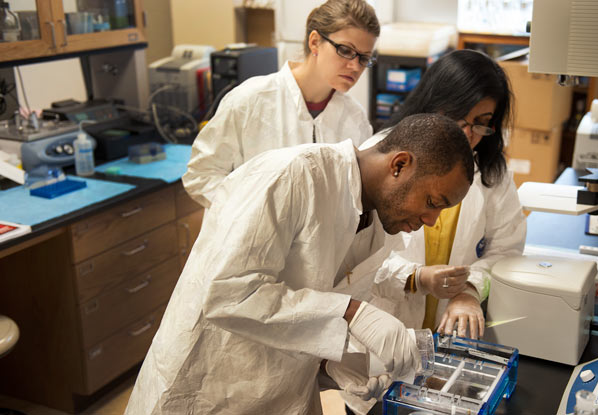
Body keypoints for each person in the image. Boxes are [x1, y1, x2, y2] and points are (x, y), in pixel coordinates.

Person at [124, 113, 476, 415]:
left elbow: (304, 305)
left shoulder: (378, 223)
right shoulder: (292, 176)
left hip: (284, 393)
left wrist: (341, 361)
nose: (431, 220)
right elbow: (228, 293)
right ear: (399, 165)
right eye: (432, 202)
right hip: (210, 388)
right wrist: (352, 312)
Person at [339, 48, 527, 415]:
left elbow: (506, 250)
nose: (468, 134)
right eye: (459, 118)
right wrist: (415, 278)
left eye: (482, 122)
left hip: (452, 350)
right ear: (433, 103)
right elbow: (350, 262)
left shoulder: (491, 172)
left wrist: (469, 289)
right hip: (381, 340)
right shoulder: (379, 157)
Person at [182, 0, 379, 208]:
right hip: (253, 238)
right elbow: (201, 175)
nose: (355, 66)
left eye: (364, 58)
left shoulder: (354, 117)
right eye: (346, 50)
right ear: (314, 42)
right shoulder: (250, 101)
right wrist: (251, 213)